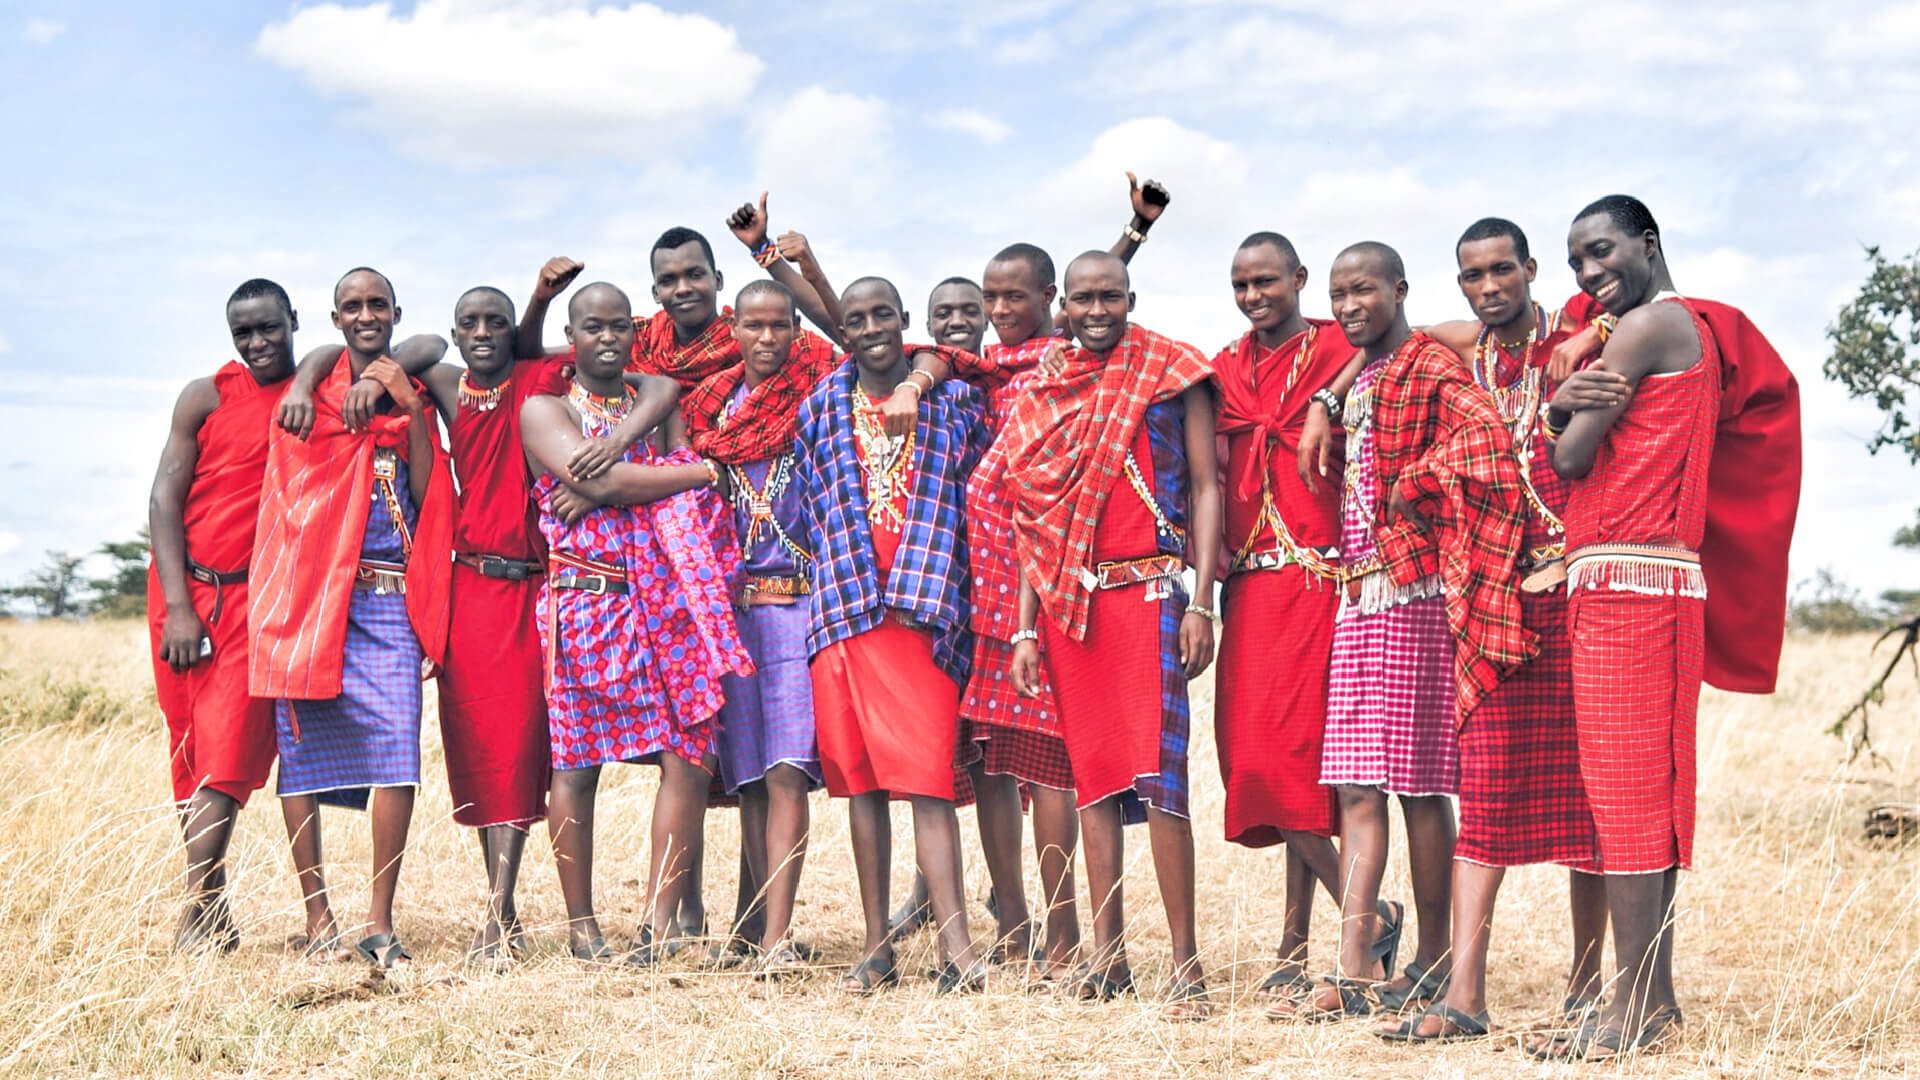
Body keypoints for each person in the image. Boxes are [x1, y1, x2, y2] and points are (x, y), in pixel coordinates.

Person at [1538, 195, 1797, 1059]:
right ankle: (1656, 999)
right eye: (1575, 262)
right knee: (1640, 794)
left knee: (1625, 800)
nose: (1586, 273)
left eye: (1600, 250)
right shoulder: (1674, 329)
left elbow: (1572, 459)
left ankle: (1627, 1011)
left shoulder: (1648, 329)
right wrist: (1572, 389)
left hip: (1629, 583)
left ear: (1647, 243)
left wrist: (1556, 407)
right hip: (1646, 583)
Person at [1373, 218, 1606, 1042]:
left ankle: (1585, 989)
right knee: (1487, 792)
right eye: (1473, 275)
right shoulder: (1469, 359)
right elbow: (1412, 333)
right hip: (1494, 602)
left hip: (1576, 595)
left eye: (1503, 270)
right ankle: (1464, 998)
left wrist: (1592, 334)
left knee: (1593, 796)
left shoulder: (1578, 342)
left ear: (1531, 269)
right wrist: (1333, 397)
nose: (1489, 286)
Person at [1003, 250, 1222, 1020]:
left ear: (1131, 296)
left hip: (1155, 594)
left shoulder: (1172, 371)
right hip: (1074, 609)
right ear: (1063, 304)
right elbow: (1038, 515)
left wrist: (1204, 601)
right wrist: (1023, 628)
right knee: (1094, 779)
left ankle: (1187, 966)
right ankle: (1110, 958)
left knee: (1164, 783)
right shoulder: (1050, 389)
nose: (1097, 310)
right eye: (1084, 298)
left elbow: (1205, 486)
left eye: (1111, 296)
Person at [519, 281, 751, 965]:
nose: (608, 338)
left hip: (664, 602)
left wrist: (643, 455)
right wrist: (701, 474)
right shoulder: (544, 409)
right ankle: (581, 925)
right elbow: (604, 485)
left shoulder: (655, 402)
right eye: (594, 327)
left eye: (621, 325)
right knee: (578, 764)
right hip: (586, 605)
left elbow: (645, 449)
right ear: (572, 334)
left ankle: (656, 925)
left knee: (690, 754)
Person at [249, 267, 454, 970]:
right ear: (334, 320)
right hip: (315, 601)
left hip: (391, 599)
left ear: (394, 312)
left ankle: (378, 920)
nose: (365, 315)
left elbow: (430, 498)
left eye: (376, 305)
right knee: (303, 757)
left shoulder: (411, 390)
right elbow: (286, 507)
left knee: (398, 758)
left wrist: (407, 404)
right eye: (351, 307)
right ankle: (317, 918)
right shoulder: (311, 400)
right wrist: (309, 383)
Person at [791, 276, 991, 994]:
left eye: (884, 314)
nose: (871, 327)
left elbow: (983, 505)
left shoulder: (956, 401)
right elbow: (807, 510)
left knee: (930, 784)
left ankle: (958, 951)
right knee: (862, 789)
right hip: (844, 612)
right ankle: (877, 950)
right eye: (857, 319)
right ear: (841, 332)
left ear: (906, 323)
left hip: (923, 613)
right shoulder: (817, 409)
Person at [1303, 242, 1484, 1018]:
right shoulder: (1366, 375)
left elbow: (1476, 445)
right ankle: (1354, 963)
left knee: (1417, 783)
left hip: (1412, 590)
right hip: (1357, 594)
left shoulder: (1432, 364)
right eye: (1340, 293)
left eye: (1364, 290)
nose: (1348, 305)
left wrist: (1418, 486)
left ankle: (1437, 955)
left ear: (1399, 289)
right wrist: (1331, 393)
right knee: (1354, 780)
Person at [1208, 233, 1358, 1013]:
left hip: (1319, 579)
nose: (1253, 294)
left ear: (1300, 279)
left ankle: (1345, 932)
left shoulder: (1340, 346)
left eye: (1266, 280)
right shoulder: (1227, 365)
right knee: (1250, 756)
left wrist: (1330, 400)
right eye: (1240, 283)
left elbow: (1413, 340)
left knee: (1296, 762)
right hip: (1250, 585)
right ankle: (1325, 933)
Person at [679, 279, 841, 976]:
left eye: (780, 325)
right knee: (746, 778)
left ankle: (776, 936)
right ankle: (750, 930)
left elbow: (861, 338)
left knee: (784, 772)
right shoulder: (707, 407)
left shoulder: (818, 394)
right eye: (754, 325)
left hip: (798, 610)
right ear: (734, 328)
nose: (767, 339)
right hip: (731, 616)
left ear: (796, 328)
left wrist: (782, 256)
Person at [147, 278, 298, 953]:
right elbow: (162, 500)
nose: (259, 342)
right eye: (245, 333)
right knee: (191, 752)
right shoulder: (205, 395)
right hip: (182, 595)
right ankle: (212, 907)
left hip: (253, 602)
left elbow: (417, 347)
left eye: (270, 327)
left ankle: (195, 910)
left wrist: (318, 366)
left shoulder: (315, 394)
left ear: (293, 321)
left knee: (229, 755)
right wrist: (180, 608)